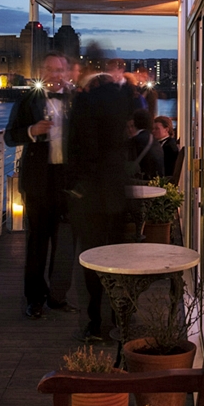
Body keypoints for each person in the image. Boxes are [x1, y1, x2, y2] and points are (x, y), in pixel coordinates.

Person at [67, 55, 135, 341]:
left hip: (92, 195)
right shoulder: (120, 99)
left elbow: (76, 150)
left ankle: (95, 322)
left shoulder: (83, 102)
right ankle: (122, 318)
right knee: (119, 257)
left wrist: (75, 187)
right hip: (117, 191)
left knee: (92, 260)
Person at [3, 52, 72, 318]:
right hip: (38, 181)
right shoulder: (27, 101)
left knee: (64, 243)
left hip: (67, 181)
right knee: (37, 243)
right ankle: (34, 299)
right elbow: (9, 137)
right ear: (42, 71)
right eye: (50, 69)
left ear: (65, 73)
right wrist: (33, 130)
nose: (55, 75)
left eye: (59, 70)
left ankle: (58, 296)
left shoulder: (76, 102)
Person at [128, 108, 163, 180]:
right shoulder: (155, 140)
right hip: (157, 182)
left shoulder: (135, 141)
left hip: (143, 182)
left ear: (135, 122)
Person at [152, 115, 180, 181]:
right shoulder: (157, 143)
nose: (153, 131)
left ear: (166, 129)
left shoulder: (170, 147)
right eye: (153, 128)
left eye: (157, 128)